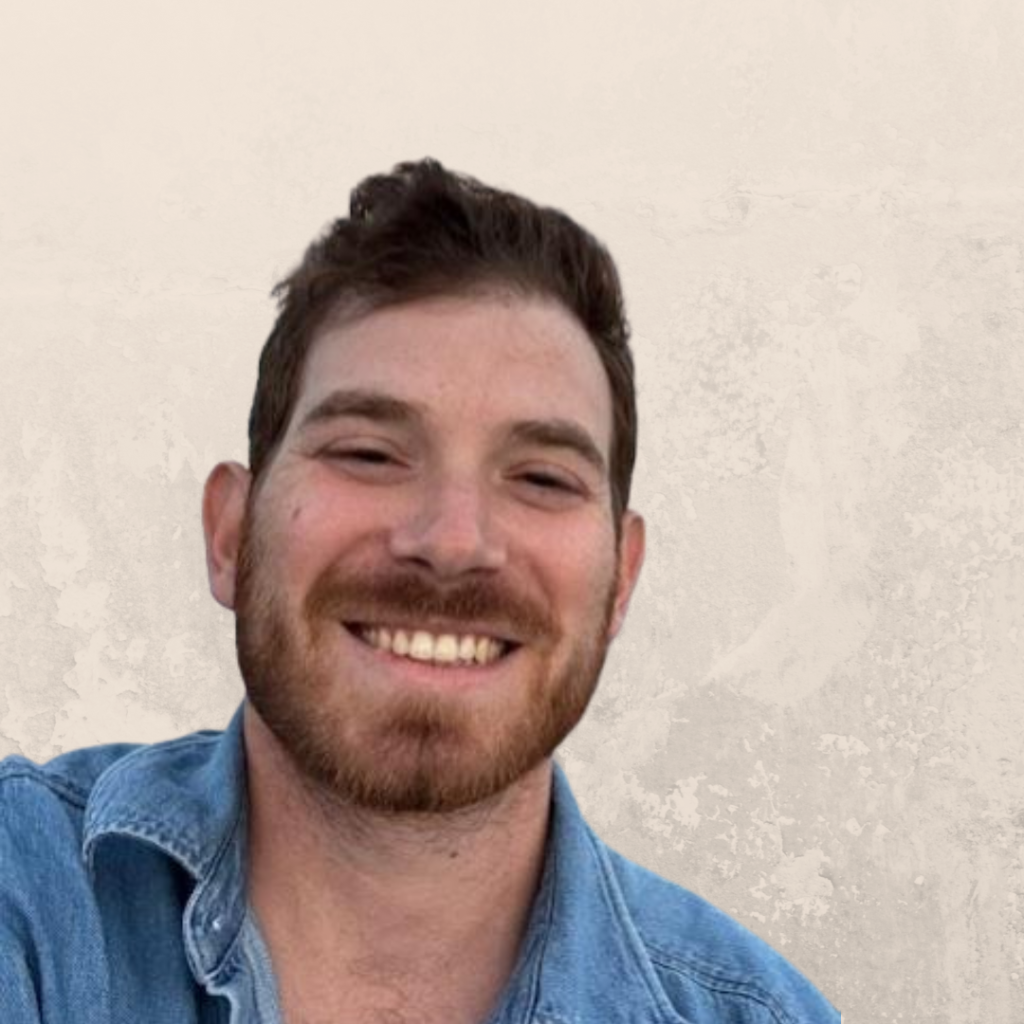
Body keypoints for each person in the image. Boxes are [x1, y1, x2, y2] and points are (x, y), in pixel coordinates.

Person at [0, 159, 840, 1023]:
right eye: (369, 454)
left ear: (620, 581)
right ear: (230, 535)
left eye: (542, 478)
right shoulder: (23, 899)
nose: (451, 541)